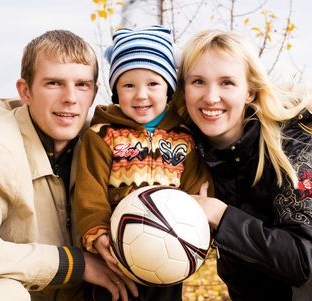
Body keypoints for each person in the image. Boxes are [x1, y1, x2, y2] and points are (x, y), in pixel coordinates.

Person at [0, 29, 135, 301]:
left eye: (82, 85)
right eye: (54, 83)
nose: (70, 97)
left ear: (94, 93)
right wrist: (77, 264)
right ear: (25, 91)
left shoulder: (100, 143)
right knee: (3, 294)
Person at [173, 29, 312, 300]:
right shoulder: (185, 151)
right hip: (256, 293)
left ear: (249, 91)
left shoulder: (290, 144)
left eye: (227, 82)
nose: (211, 96)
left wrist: (220, 215)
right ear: (184, 89)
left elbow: (303, 259)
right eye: (198, 81)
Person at [73, 25, 213, 301]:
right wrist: (98, 234)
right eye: (128, 85)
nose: (141, 94)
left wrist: (200, 213)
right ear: (115, 91)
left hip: (170, 252)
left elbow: (195, 184)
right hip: (116, 256)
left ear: (169, 89)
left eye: (152, 84)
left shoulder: (184, 139)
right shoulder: (102, 136)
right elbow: (90, 193)